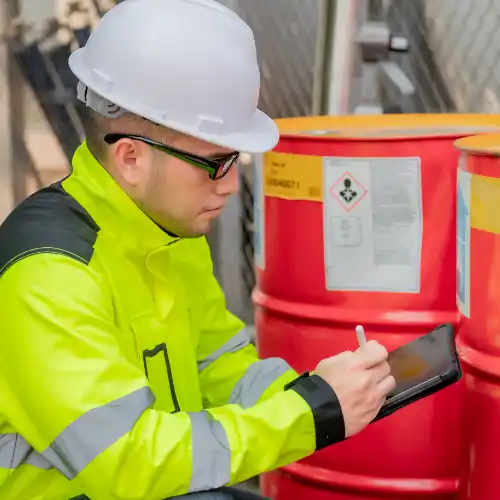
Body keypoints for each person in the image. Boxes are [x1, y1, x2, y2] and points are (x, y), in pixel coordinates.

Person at [0, 1, 396, 499]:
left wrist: (315, 391)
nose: (231, 186)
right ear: (131, 158)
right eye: (215, 162)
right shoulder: (49, 274)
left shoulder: (167, 234)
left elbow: (217, 366)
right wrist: (307, 415)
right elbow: (127, 461)